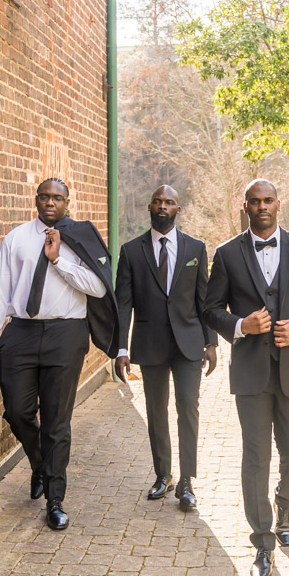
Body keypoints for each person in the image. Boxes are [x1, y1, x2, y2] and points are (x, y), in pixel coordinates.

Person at [203, 179, 289, 576]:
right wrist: (240, 325)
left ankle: (286, 505)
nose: (261, 207)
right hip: (250, 373)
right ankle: (261, 541)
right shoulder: (226, 254)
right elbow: (210, 308)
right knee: (255, 457)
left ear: (280, 203)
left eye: (268, 201)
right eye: (254, 202)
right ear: (244, 206)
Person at [0, 178, 120, 531]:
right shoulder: (17, 239)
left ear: (68, 202)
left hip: (66, 334)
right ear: (36, 200)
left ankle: (55, 500)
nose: (50, 202)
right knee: (17, 410)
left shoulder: (81, 237)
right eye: (45, 197)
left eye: (57, 197)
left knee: (57, 420)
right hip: (22, 332)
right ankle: (40, 463)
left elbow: (99, 286)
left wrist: (58, 261)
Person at [114, 185, 218, 511]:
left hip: (188, 344)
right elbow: (123, 305)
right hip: (150, 344)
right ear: (149, 207)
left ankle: (187, 481)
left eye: (169, 202)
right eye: (158, 202)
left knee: (188, 408)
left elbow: (205, 300)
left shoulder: (196, 249)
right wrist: (120, 349)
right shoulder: (131, 251)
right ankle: (163, 475)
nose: (163, 206)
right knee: (156, 412)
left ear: (178, 209)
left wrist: (211, 342)